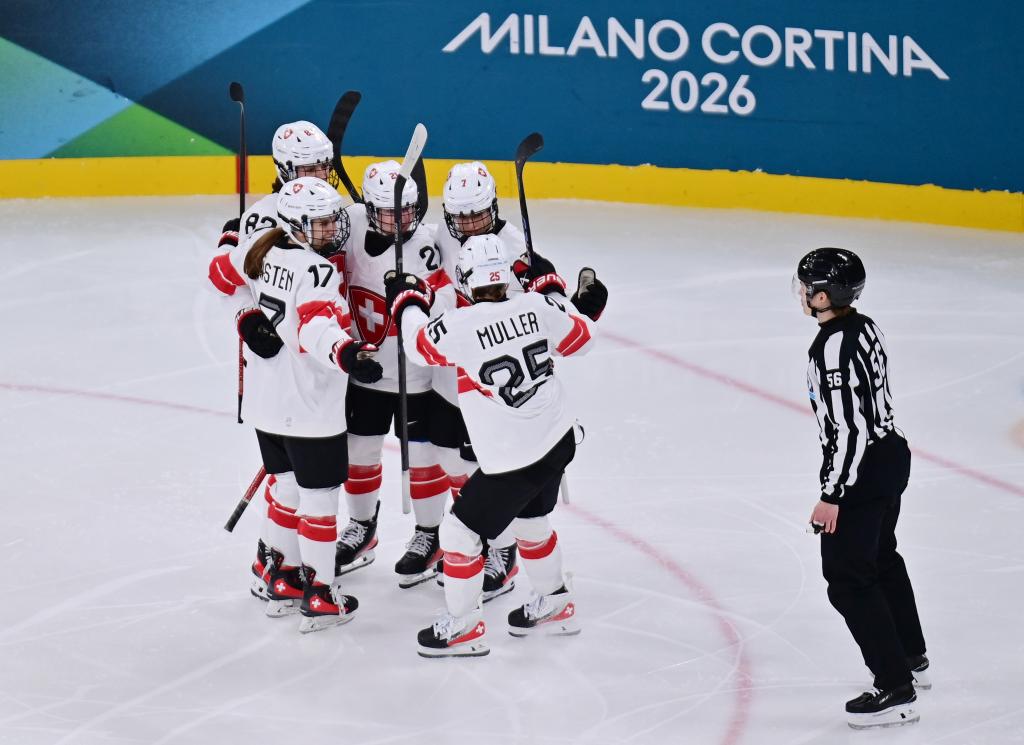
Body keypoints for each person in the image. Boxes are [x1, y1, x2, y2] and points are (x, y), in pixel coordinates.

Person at [385, 233, 608, 657]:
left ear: (466, 280)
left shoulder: (460, 325)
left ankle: (464, 627)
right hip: (558, 440)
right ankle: (556, 601)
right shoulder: (536, 306)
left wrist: (408, 300)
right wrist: (554, 291)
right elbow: (583, 338)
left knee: (458, 532)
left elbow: (417, 345)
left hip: (514, 459)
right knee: (530, 522)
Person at [207, 177, 382, 632]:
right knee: (319, 499)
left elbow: (219, 275)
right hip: (310, 408)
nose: (331, 229)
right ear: (296, 225)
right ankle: (321, 593)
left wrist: (245, 312)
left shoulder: (257, 249)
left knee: (285, 488)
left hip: (267, 404)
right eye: (320, 223)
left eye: (331, 220)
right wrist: (347, 354)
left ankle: (278, 575)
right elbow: (314, 329)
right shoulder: (317, 271)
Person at [794, 247, 929, 729]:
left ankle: (895, 688)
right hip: (890, 456)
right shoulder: (864, 326)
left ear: (824, 296)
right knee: (881, 557)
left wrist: (832, 495)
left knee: (848, 578)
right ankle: (910, 654)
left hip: (862, 470)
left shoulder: (832, 349)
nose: (802, 294)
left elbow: (850, 430)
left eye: (807, 287)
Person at [430, 161, 572, 600]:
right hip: (451, 378)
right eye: (461, 217)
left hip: (497, 395)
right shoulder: (441, 237)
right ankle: (474, 543)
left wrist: (550, 285)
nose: (470, 225)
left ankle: (502, 550)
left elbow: (553, 320)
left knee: (492, 470)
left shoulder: (515, 247)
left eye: (478, 215)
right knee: (456, 465)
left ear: (493, 207)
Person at [214, 121, 342, 602]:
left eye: (323, 166)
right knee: (307, 481)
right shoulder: (260, 220)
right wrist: (247, 319)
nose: (318, 174)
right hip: (292, 364)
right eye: (308, 168)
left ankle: (289, 560)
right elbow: (230, 282)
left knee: (302, 479)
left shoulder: (331, 211)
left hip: (325, 362)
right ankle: (296, 566)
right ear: (285, 169)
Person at [333, 161, 455, 588]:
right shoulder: (349, 224)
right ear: (369, 208)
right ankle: (362, 527)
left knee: (422, 459)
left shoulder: (425, 247)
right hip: (364, 369)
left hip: (415, 375)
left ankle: (430, 535)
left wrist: (420, 294)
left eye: (407, 211)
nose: (400, 220)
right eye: (388, 213)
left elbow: (447, 300)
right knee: (358, 452)